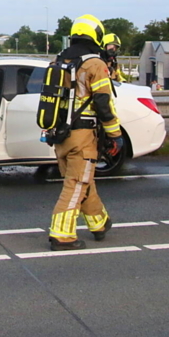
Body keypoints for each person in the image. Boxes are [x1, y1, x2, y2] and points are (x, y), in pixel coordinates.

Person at [48, 15, 123, 251]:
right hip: (82, 135)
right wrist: (115, 134)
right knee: (76, 183)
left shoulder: (59, 61)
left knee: (83, 180)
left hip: (60, 134)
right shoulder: (95, 64)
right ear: (97, 36)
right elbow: (103, 103)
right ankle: (61, 235)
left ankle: (98, 222)